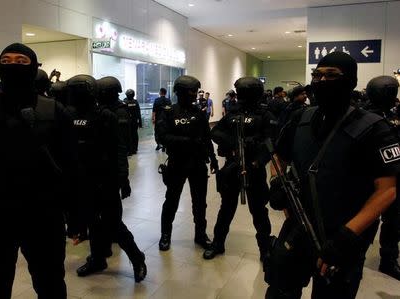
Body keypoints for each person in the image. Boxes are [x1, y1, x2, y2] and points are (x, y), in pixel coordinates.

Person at [265, 52, 400, 299]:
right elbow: (278, 157)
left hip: (342, 236)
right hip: (298, 227)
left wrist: (347, 235)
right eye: (317, 74)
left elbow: (389, 188)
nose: (321, 80)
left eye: (331, 75)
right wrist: (276, 181)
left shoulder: (374, 129)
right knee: (279, 291)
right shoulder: (301, 118)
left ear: (350, 80)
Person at [0, 43, 80, 299]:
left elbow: (72, 168)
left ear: (32, 68)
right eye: (7, 61)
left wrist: (77, 215)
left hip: (44, 217)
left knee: (51, 284)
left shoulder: (54, 112)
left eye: (21, 62)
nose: (13, 67)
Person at [76, 76, 146, 283]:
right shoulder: (80, 114)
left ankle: (137, 258)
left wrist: (122, 179)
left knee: (114, 224)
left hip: (106, 178)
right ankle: (98, 258)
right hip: (87, 178)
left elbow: (120, 148)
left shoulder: (112, 113)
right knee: (92, 222)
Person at [204, 76, 277, 260]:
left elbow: (270, 143)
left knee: (259, 210)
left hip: (254, 167)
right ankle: (218, 243)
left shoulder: (264, 115)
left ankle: (264, 248)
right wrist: (233, 144)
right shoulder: (233, 113)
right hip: (232, 166)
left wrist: (256, 160)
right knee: (226, 208)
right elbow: (216, 132)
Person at [157, 75, 219, 251]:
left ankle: (200, 234)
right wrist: (186, 141)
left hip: (198, 163)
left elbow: (207, 138)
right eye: (192, 92)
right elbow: (162, 137)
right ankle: (165, 235)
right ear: (181, 93)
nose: (195, 95)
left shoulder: (198, 113)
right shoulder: (168, 112)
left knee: (200, 203)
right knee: (171, 201)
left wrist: (213, 159)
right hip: (177, 163)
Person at [365, 75, 400, 280]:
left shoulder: (393, 114)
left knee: (394, 221)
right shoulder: (364, 116)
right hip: (370, 177)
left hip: (393, 174)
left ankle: (388, 259)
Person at [123, 89, 142, 155]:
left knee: (128, 135)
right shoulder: (135, 102)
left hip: (127, 122)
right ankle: (135, 149)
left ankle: (129, 150)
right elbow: (138, 113)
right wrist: (140, 123)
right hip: (134, 122)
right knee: (135, 135)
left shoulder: (124, 102)